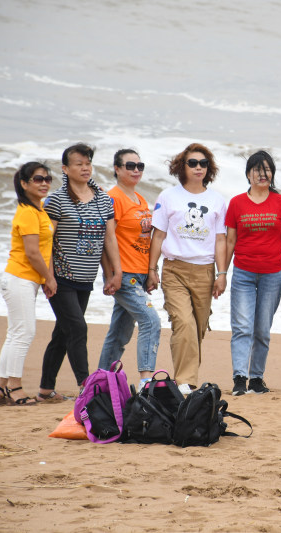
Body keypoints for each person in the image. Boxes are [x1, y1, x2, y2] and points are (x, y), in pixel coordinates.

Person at [36, 143, 121, 403]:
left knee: (63, 333)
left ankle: (45, 391)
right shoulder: (57, 200)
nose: (85, 168)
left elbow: (109, 239)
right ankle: (87, 386)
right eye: (78, 164)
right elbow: (46, 241)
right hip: (61, 278)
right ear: (65, 169)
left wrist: (114, 272)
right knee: (77, 329)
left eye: (88, 163)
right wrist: (48, 277)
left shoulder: (104, 199)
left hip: (86, 278)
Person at [146, 143, 228, 395]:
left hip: (205, 271)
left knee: (199, 328)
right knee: (184, 324)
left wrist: (222, 274)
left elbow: (221, 240)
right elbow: (158, 235)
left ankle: (186, 379)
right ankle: (185, 382)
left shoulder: (216, 200)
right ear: (182, 166)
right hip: (174, 270)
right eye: (193, 163)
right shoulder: (168, 196)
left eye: (203, 163)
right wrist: (152, 269)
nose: (198, 167)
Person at [225, 150, 281, 396]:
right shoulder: (236, 203)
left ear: (272, 174)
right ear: (248, 174)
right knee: (243, 326)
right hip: (243, 273)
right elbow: (230, 241)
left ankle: (256, 378)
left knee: (263, 329)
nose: (262, 174)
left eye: (267, 170)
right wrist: (221, 273)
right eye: (257, 170)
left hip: (272, 274)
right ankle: (239, 377)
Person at [0, 162, 57, 406]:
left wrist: (44, 279)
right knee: (24, 333)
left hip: (25, 280)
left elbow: (44, 249)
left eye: (48, 179)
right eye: (38, 179)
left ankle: (1, 388)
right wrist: (49, 278)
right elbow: (32, 253)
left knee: (15, 335)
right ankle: (15, 387)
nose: (44, 183)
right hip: (19, 277)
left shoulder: (38, 209)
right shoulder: (27, 212)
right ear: (24, 184)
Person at [97, 149, 160, 389]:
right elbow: (108, 238)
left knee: (119, 333)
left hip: (140, 274)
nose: (136, 170)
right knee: (151, 321)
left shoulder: (140, 199)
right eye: (130, 166)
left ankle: (100, 383)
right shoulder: (113, 198)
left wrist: (151, 271)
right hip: (124, 275)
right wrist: (114, 273)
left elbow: (145, 239)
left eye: (140, 166)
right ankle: (146, 381)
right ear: (117, 168)